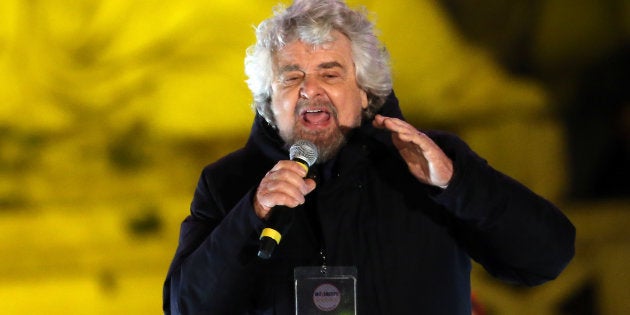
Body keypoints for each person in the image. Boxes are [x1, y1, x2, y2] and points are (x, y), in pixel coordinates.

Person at [162, 0, 575, 314]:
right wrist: (251, 215)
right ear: (270, 100)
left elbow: (547, 256)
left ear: (364, 92)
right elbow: (186, 306)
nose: (310, 90)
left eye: (330, 73)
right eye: (291, 76)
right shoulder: (228, 182)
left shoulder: (428, 163)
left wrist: (457, 183)